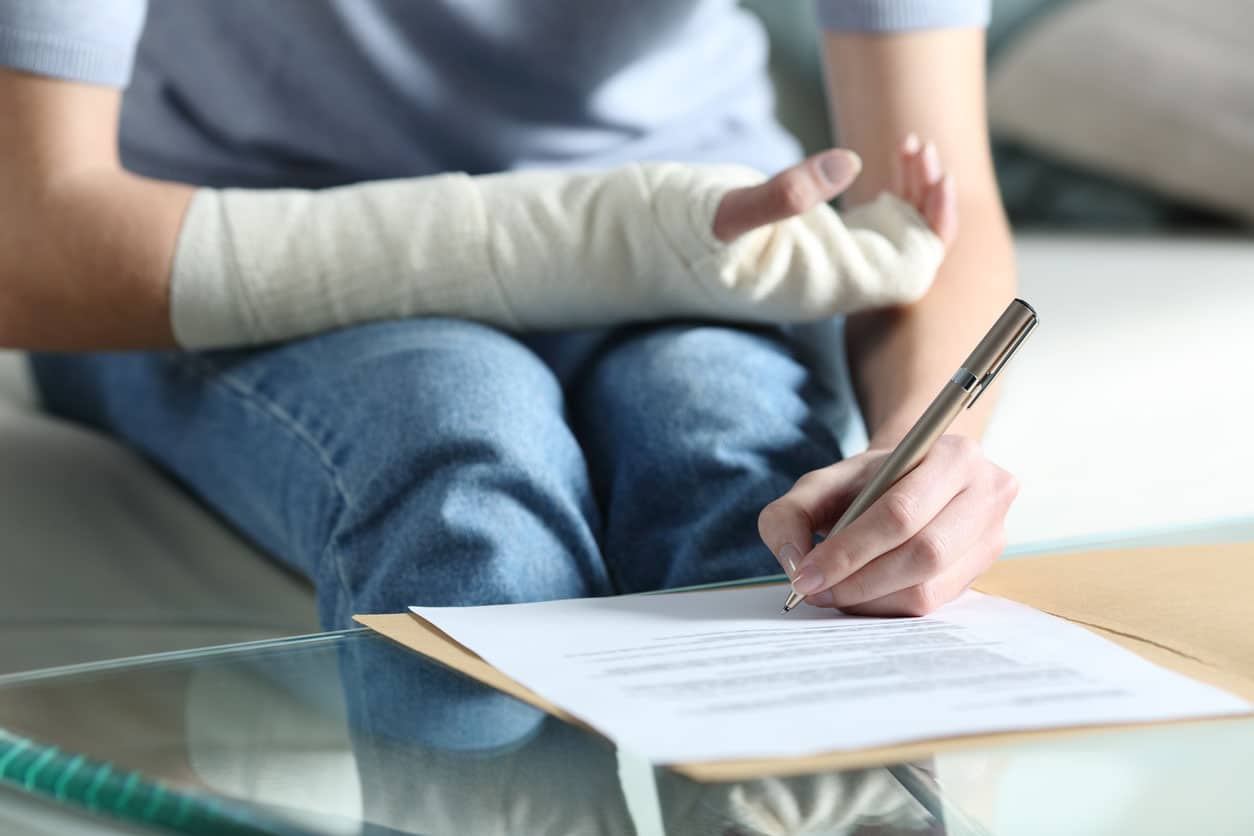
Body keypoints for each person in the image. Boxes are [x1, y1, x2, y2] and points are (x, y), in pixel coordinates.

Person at [0, 1, 1017, 629]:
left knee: (741, 472)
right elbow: (26, 235)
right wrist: (596, 236)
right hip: (204, 235)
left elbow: (929, 200)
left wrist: (916, 456)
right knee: (460, 455)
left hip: (700, 238)